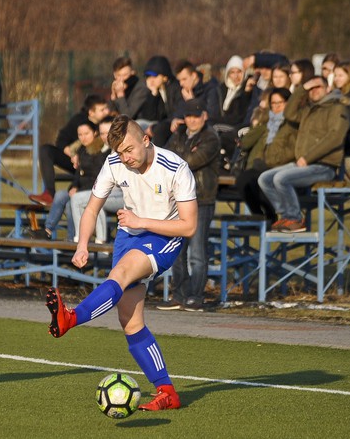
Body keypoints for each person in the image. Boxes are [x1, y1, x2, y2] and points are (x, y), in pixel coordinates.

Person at [45, 114, 197, 411]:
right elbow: (91, 208)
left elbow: (189, 226)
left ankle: (70, 318)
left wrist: (141, 220)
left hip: (164, 236)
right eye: (119, 152)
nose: (125, 158)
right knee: (130, 321)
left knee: (122, 272)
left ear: (145, 139)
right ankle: (167, 392)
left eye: (129, 150)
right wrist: (82, 244)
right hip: (130, 234)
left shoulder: (176, 168)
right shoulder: (115, 162)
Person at [258, 76, 349, 233]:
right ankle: (286, 216)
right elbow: (289, 113)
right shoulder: (308, 110)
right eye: (310, 89)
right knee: (264, 179)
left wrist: (308, 158)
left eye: (318, 87)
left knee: (281, 179)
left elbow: (334, 137)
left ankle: (295, 219)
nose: (314, 91)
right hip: (303, 164)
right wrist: (302, 88)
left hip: (324, 166)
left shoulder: (337, 109)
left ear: (328, 89)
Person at [161, 98, 220, 312]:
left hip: (201, 199)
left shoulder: (211, 137)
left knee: (197, 252)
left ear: (205, 115)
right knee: (177, 250)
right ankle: (180, 294)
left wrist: (175, 159)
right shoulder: (178, 135)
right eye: (188, 116)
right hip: (178, 199)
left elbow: (188, 162)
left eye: (196, 115)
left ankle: (196, 295)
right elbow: (164, 158)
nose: (192, 120)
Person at [33, 120, 109, 242]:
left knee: (70, 203)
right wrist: (74, 186)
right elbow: (78, 175)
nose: (83, 138)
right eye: (80, 135)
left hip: (92, 192)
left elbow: (96, 176)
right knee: (61, 194)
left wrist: (78, 189)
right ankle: (47, 230)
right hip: (80, 190)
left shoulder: (101, 151)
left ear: (95, 133)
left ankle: (72, 238)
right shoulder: (81, 151)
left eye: (86, 134)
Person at [29, 94, 109, 206]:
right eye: (102, 110)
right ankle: (49, 193)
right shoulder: (78, 120)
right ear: (91, 112)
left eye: (106, 108)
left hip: (96, 167)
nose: (107, 111)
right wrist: (73, 155)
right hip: (76, 162)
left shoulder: (108, 123)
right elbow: (61, 141)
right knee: (45, 150)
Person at [234, 88, 296, 224]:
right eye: (273, 103)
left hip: (282, 165)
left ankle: (270, 215)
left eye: (280, 103)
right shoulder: (267, 123)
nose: (276, 106)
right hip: (262, 163)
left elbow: (292, 149)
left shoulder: (293, 122)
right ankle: (259, 216)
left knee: (261, 180)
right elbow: (247, 142)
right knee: (243, 181)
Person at [68, 116, 124, 243]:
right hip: (111, 192)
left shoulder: (122, 150)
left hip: (124, 195)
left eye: (108, 132)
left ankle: (101, 243)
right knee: (76, 199)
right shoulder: (108, 150)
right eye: (102, 133)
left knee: (96, 200)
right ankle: (80, 239)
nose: (105, 136)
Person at [109, 56, 148, 126]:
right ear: (114, 75)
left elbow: (128, 116)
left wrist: (120, 95)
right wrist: (114, 96)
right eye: (118, 75)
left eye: (125, 75)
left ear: (132, 72)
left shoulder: (141, 88)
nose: (121, 79)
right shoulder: (118, 88)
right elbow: (111, 114)